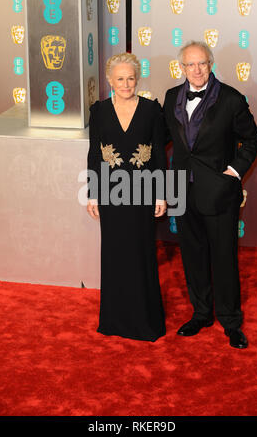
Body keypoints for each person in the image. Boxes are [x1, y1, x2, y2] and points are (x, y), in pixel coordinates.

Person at [163, 41, 257, 349]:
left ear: (211, 64)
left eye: (202, 63)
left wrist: (232, 172)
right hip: (182, 189)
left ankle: (231, 322)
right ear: (181, 68)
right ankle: (202, 313)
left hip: (219, 193)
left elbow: (252, 139)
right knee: (192, 256)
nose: (197, 70)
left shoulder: (231, 99)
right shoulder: (170, 98)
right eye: (190, 65)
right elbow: (162, 139)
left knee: (223, 258)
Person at [87, 52, 167, 342]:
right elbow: (95, 154)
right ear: (110, 80)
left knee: (141, 253)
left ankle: (145, 321)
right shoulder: (98, 111)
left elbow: (159, 153)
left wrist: (161, 194)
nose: (125, 83)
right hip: (110, 193)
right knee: (114, 254)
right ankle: (114, 320)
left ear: (137, 79)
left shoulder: (151, 110)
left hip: (143, 192)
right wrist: (93, 193)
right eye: (120, 78)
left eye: (130, 78)